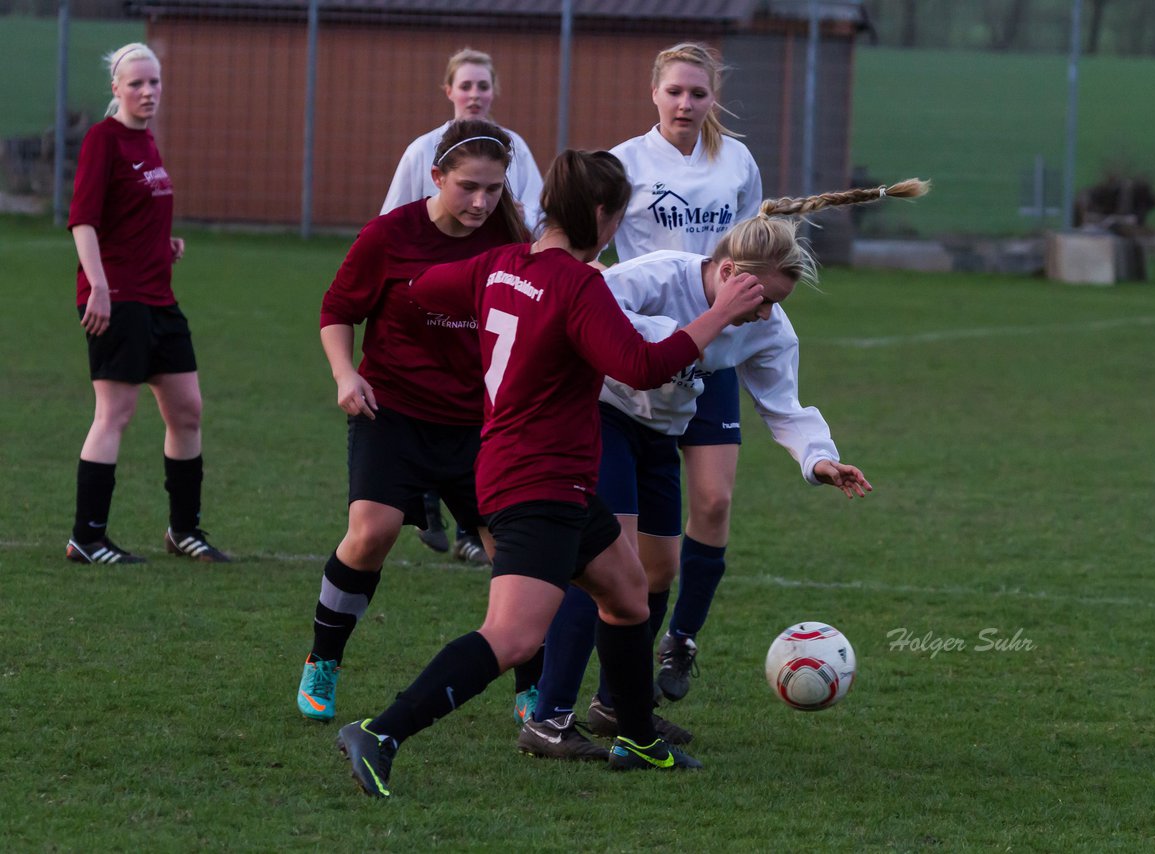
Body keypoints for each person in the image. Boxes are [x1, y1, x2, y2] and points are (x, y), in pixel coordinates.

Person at [333, 149, 766, 798]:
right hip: (538, 481)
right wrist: (718, 312)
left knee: (624, 596)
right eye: (619, 216)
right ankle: (382, 732)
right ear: (599, 214)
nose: (617, 229)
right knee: (510, 635)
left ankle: (640, 740)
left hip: (531, 469)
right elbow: (642, 367)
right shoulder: (577, 284)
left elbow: (420, 290)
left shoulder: (500, 264)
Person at [520, 182, 929, 755]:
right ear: (730, 269)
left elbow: (784, 405)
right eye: (761, 298)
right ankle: (548, 718)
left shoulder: (767, 325)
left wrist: (820, 458)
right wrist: (691, 329)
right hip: (603, 420)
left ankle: (616, 704)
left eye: (776, 305)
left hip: (661, 436)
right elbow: (583, 312)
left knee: (656, 573)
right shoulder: (658, 275)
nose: (765, 313)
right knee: (608, 569)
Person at [531, 41, 759, 720]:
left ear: (713, 96)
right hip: (638, 357)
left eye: (698, 92)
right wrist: (591, 282)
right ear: (654, 94)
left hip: (707, 356)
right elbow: (583, 243)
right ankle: (564, 706)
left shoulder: (737, 161)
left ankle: (675, 644)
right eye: (676, 92)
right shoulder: (625, 165)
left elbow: (750, 246)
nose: (686, 103)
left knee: (711, 508)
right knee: (616, 554)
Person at [294, 119, 530, 724]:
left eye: (494, 189)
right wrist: (346, 375)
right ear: (436, 177)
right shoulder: (389, 236)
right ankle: (323, 660)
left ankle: (536, 690)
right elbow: (336, 309)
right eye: (468, 187)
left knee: (516, 551)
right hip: (392, 410)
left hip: (481, 425)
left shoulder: (511, 240)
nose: (481, 202)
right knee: (371, 533)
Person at [65, 42, 230, 565]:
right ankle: (86, 538)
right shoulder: (104, 139)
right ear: (116, 88)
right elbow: (84, 220)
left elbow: (132, 213)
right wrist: (98, 286)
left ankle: (184, 531)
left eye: (154, 82)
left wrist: (165, 243)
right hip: (117, 300)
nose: (147, 91)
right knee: (115, 413)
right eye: (136, 83)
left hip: (158, 297)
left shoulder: (147, 143)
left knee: (187, 410)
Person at [382, 47, 542, 568]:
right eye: (465, 85)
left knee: (482, 403)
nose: (474, 94)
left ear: (494, 91)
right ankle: (426, 499)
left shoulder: (513, 147)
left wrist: (519, 220)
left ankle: (469, 523)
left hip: (489, 298)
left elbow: (536, 221)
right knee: (430, 397)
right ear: (448, 91)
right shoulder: (422, 151)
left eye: (483, 85)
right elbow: (390, 224)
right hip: (429, 300)